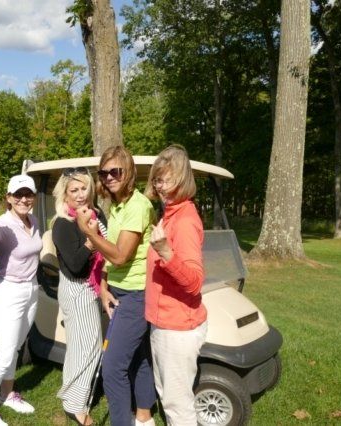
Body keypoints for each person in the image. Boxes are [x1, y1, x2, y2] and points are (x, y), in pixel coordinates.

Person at [77, 146, 156, 426]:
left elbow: (121, 254)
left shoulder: (137, 206)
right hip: (122, 291)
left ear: (129, 173)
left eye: (116, 171)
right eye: (104, 172)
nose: (109, 177)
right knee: (139, 358)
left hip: (136, 295)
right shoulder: (117, 206)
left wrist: (89, 232)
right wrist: (105, 286)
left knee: (112, 367)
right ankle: (145, 417)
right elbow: (111, 256)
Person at [0, 174, 43, 426]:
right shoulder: (2, 224)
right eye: (18, 195)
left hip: (31, 290)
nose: (24, 199)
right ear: (9, 198)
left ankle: (7, 394)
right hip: (9, 293)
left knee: (16, 346)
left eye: (28, 194)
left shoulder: (32, 219)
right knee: (3, 354)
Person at [144, 145, 207, 425]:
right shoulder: (169, 214)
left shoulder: (184, 220)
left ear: (182, 180)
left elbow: (194, 282)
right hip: (164, 322)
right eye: (157, 179)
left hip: (177, 327)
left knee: (178, 406)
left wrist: (166, 252)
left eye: (166, 180)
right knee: (168, 396)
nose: (160, 186)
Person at [51, 167, 107, 426]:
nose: (81, 194)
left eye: (84, 188)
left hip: (94, 284)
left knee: (81, 345)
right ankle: (76, 404)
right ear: (65, 194)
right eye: (74, 190)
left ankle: (72, 398)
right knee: (89, 348)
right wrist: (90, 239)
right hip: (77, 286)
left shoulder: (97, 213)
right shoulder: (63, 224)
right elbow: (74, 264)